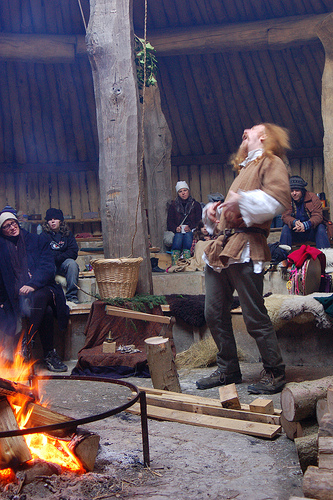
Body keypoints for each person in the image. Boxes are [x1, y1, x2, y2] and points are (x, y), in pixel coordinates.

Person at [196, 123, 291, 394]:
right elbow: (227, 217)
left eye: (252, 129)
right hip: (223, 247)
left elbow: (278, 201)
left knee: (253, 315)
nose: (245, 130)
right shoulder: (244, 170)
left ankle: (274, 371)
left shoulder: (271, 162)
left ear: (263, 137)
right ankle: (228, 369)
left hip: (247, 247)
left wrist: (244, 202)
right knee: (213, 312)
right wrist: (214, 214)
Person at [0, 209, 68, 371]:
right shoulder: (1, 249)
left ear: (18, 223)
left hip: (43, 288)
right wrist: (1, 300)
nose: (12, 227)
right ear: (2, 231)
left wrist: (33, 283)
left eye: (13, 223)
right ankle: (48, 355)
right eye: (7, 226)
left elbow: (48, 267)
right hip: (16, 296)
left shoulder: (36, 240)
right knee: (47, 313)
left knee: (40, 296)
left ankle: (27, 343)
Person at [279, 175, 330, 252]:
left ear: (302, 191)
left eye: (297, 190)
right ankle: (282, 258)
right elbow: (285, 216)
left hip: (311, 231)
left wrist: (306, 225)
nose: (294, 193)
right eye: (292, 191)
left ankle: (326, 257)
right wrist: (294, 222)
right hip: (296, 232)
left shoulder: (313, 198)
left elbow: (318, 216)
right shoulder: (287, 200)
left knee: (321, 228)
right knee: (286, 228)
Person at [43, 208, 80, 304]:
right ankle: (52, 296)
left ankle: (72, 296)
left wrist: (57, 256)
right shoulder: (43, 236)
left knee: (72, 264)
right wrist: (60, 255)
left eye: (55, 219)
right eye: (50, 219)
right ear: (47, 222)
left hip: (64, 264)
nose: (53, 221)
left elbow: (73, 252)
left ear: (60, 221)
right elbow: (44, 254)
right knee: (48, 265)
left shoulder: (68, 235)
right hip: (51, 264)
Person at [167, 181, 202, 265]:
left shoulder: (195, 205)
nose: (183, 193)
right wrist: (176, 228)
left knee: (188, 237)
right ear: (178, 193)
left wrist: (190, 227)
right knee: (178, 238)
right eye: (180, 191)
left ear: (188, 191)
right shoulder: (173, 206)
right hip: (178, 231)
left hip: (191, 230)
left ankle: (187, 261)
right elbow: (170, 222)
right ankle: (175, 262)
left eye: (185, 190)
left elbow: (199, 220)